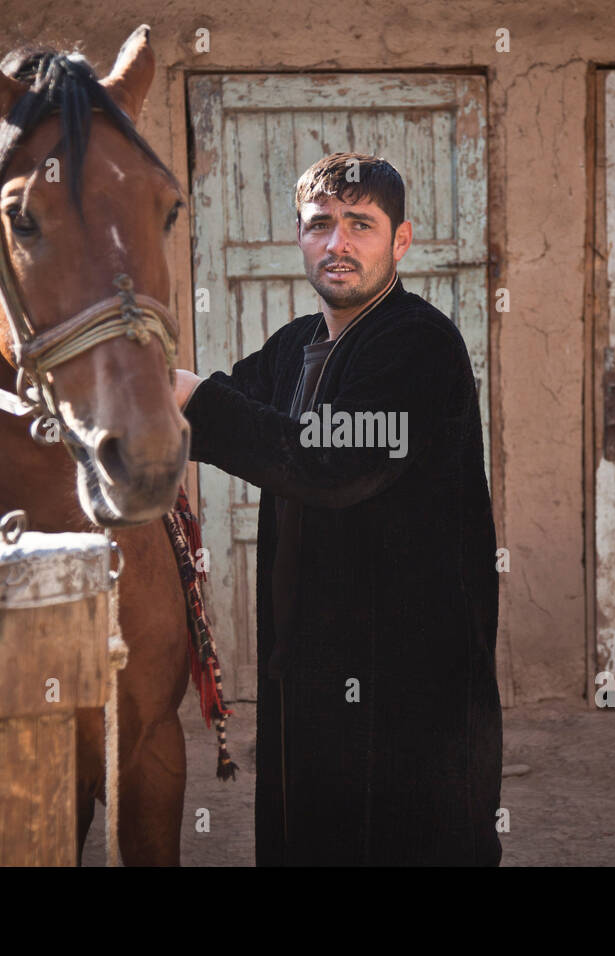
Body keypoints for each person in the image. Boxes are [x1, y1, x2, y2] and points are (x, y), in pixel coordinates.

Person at [174, 152, 501, 866]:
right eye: (321, 224)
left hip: (410, 672)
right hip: (310, 666)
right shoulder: (297, 346)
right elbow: (216, 414)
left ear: (401, 240)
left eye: (361, 224)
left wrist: (192, 397)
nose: (338, 243)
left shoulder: (419, 343)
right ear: (300, 237)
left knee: (412, 840)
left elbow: (330, 464)